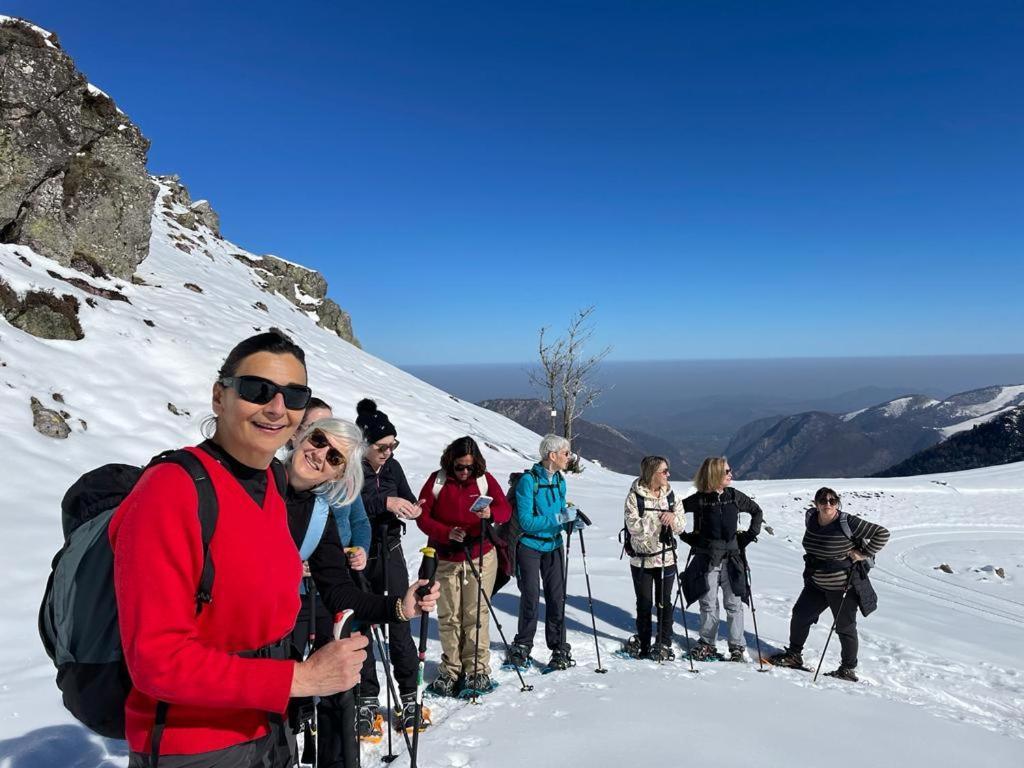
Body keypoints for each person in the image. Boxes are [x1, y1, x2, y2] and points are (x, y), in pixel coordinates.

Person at [110, 330, 370, 768]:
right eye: (256, 389)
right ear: (219, 397)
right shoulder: (171, 490)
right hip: (194, 746)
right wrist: (299, 677)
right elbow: (156, 662)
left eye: (293, 395)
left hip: (268, 730)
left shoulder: (270, 482)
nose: (276, 407)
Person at [284, 417, 429, 767]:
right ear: (302, 435)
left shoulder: (318, 514)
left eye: (335, 458)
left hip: (264, 659)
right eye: (318, 440)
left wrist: (400, 607)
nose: (321, 455)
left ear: (339, 475)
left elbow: (339, 592)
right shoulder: (256, 483)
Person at [416, 437, 512, 696]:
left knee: (476, 614)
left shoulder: (484, 480)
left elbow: (505, 510)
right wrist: (446, 533)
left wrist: (491, 514)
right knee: (449, 616)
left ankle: (477, 670)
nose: (465, 472)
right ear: (451, 462)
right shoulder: (437, 481)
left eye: (470, 467)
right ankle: (451, 668)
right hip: (446, 556)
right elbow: (421, 517)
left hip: (480, 554)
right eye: (460, 467)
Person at [353, 398, 425, 738]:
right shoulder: (351, 467)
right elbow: (347, 502)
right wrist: (385, 502)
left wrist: (413, 509)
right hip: (361, 554)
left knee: (400, 616)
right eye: (382, 447)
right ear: (365, 444)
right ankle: (367, 698)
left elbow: (408, 497)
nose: (388, 452)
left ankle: (409, 695)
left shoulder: (392, 468)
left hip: (391, 548)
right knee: (362, 624)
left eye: (393, 446)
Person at [769, 487, 890, 681]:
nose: (828, 504)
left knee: (845, 627)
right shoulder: (811, 518)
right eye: (823, 500)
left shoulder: (847, 522)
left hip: (843, 585)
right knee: (801, 615)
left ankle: (848, 669)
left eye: (833, 501)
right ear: (815, 503)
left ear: (837, 503)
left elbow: (882, 533)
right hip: (816, 582)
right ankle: (794, 656)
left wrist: (862, 554)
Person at [680, 456, 763, 662]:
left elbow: (756, 511)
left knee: (733, 603)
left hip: (731, 557)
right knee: (708, 602)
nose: (731, 474)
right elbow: (676, 513)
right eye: (727, 471)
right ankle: (709, 644)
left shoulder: (733, 495)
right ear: (715, 474)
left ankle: (735, 647)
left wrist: (748, 536)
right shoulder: (700, 499)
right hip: (708, 557)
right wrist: (687, 537)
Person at [504, 434, 575, 672]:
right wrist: (559, 518)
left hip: (554, 545)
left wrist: (571, 521)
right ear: (552, 456)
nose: (569, 457)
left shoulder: (559, 480)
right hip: (530, 546)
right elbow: (525, 522)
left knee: (557, 598)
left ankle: (558, 646)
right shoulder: (528, 481)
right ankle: (523, 644)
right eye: (566, 453)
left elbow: (562, 510)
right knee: (530, 597)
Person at [622, 456, 686, 661]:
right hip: (641, 559)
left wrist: (673, 519)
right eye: (664, 471)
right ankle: (644, 642)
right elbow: (635, 528)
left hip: (666, 558)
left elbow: (681, 526)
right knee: (644, 602)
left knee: (664, 602)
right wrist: (660, 519)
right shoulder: (634, 497)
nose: (668, 474)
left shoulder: (672, 496)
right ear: (652, 473)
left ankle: (663, 643)